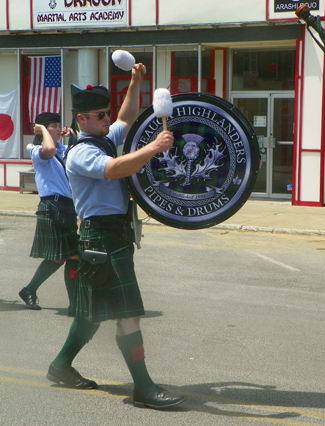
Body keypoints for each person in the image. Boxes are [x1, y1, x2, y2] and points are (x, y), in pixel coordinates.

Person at [46, 64, 186, 410]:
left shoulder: (104, 137)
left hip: (114, 235)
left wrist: (135, 83)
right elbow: (116, 169)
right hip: (100, 236)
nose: (107, 118)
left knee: (93, 314)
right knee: (129, 313)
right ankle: (143, 388)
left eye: (107, 112)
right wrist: (153, 147)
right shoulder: (81, 152)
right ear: (81, 119)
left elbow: (126, 116)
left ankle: (61, 366)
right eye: (99, 114)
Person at [19, 112, 79, 313]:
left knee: (72, 257)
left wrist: (75, 136)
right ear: (42, 129)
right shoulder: (38, 151)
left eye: (57, 125)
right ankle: (30, 290)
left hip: (67, 207)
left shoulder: (62, 149)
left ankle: (73, 303)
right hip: (52, 206)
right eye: (53, 125)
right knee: (63, 257)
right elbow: (49, 149)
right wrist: (43, 129)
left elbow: (77, 157)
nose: (57, 128)